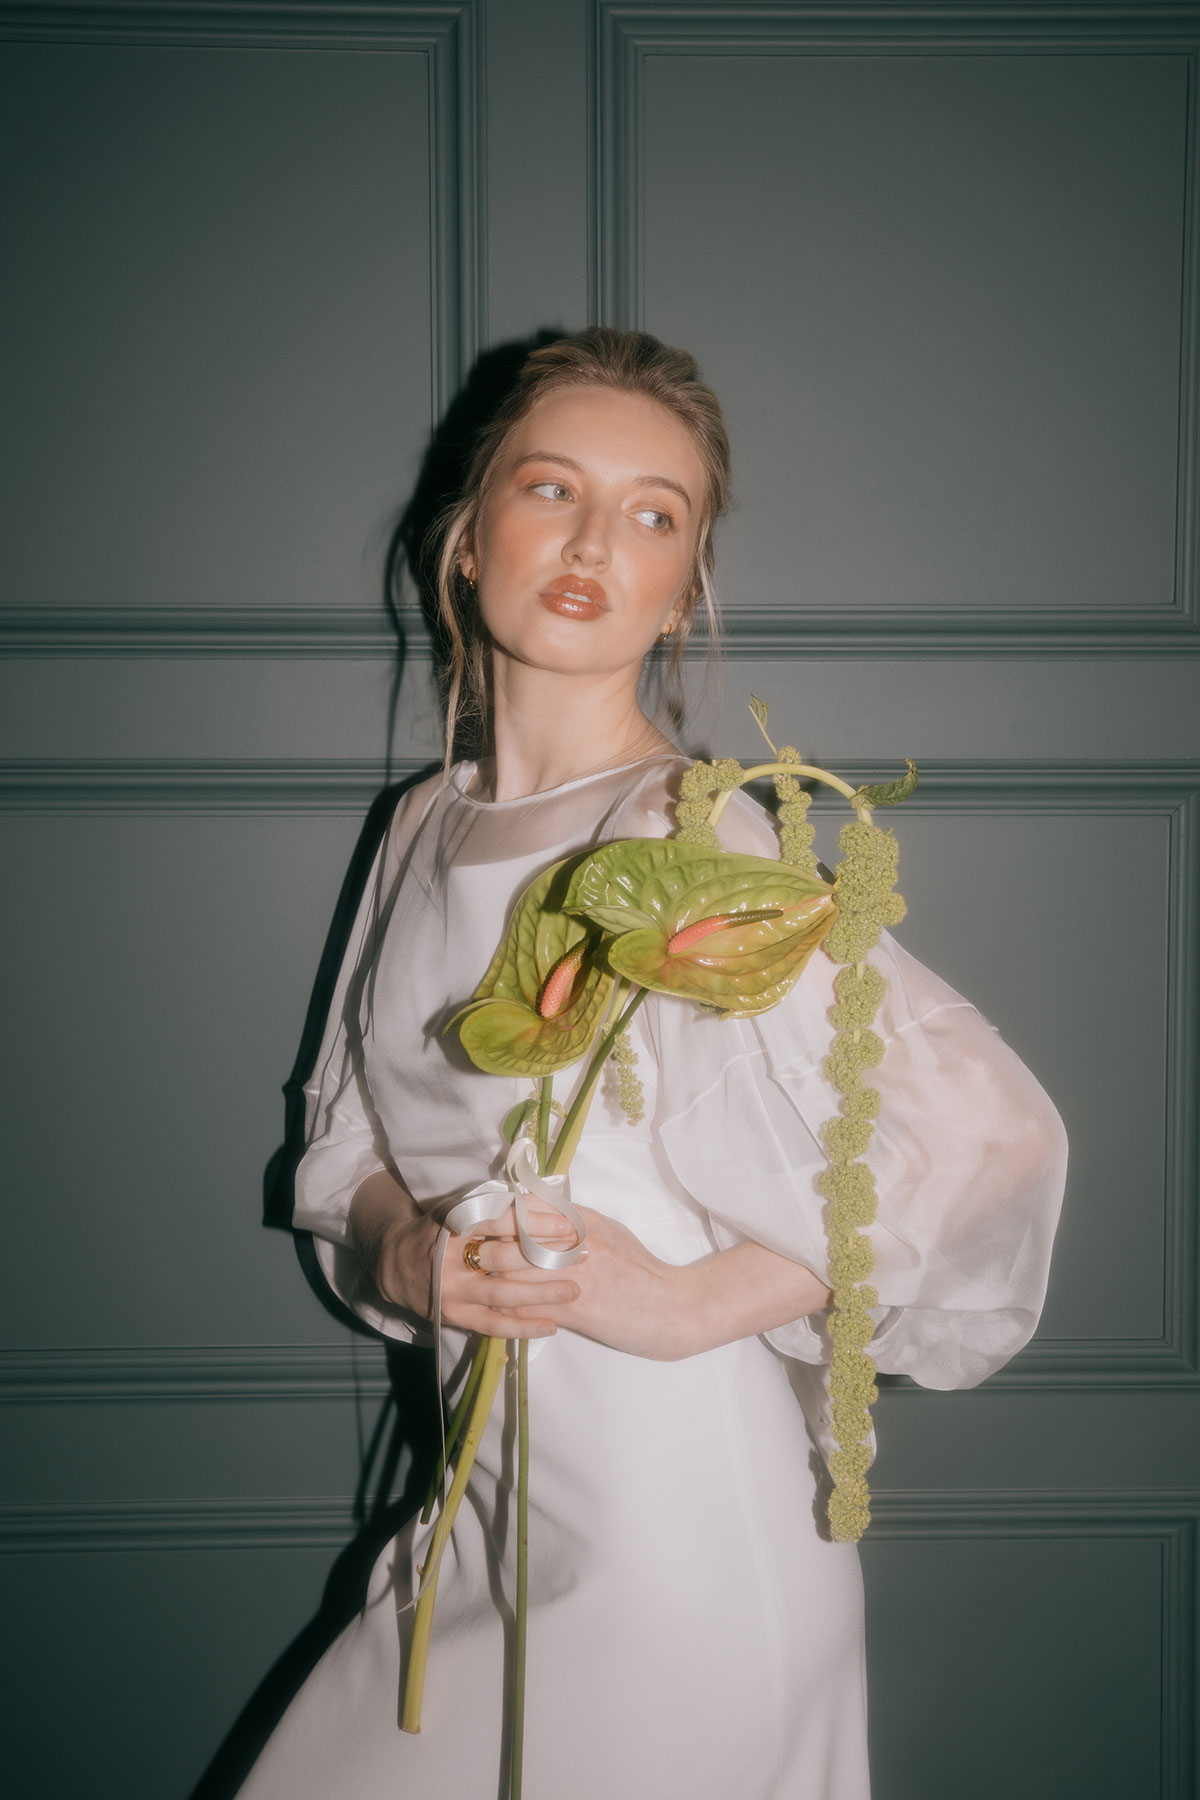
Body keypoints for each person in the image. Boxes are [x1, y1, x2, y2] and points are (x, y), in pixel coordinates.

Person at [236, 328, 1068, 1799]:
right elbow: (344, 1145)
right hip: (481, 1510)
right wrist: (411, 1257)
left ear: (684, 594)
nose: (594, 541)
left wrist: (694, 1305)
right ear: (465, 533)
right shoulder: (419, 825)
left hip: (684, 1549)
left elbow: (986, 1138)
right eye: (551, 488)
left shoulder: (692, 836)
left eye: (654, 512)